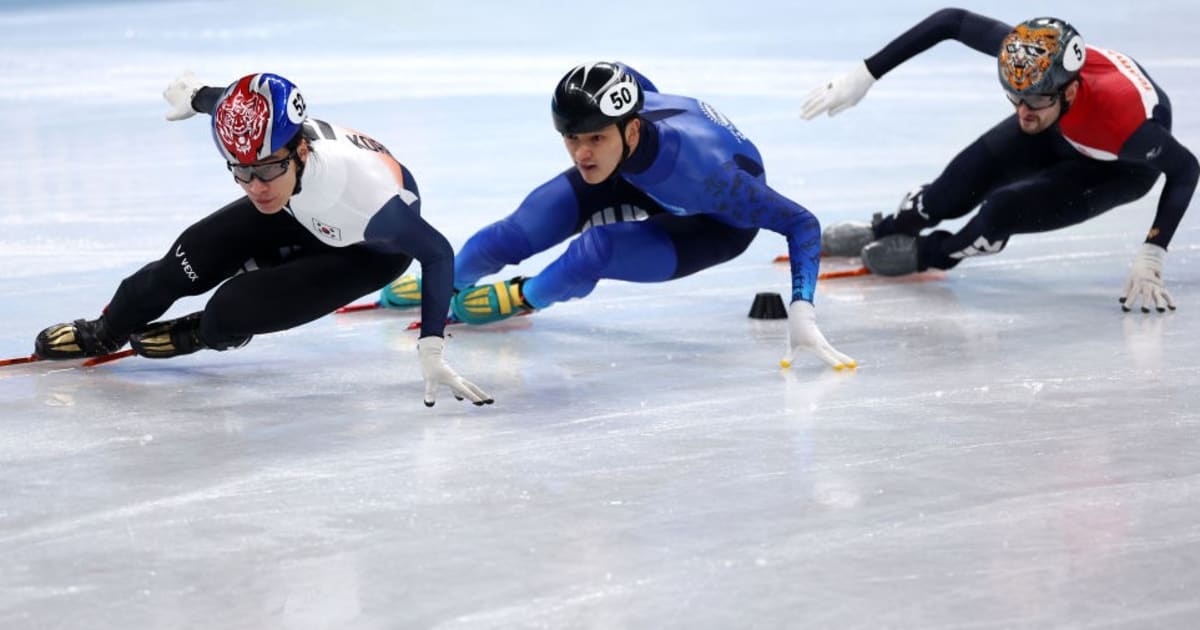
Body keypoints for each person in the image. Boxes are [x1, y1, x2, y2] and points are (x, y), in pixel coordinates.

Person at [33, 71, 492, 407]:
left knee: (231, 308)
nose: (256, 186)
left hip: (363, 250)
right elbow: (223, 102)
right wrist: (195, 96)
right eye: (242, 172)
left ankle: (207, 333)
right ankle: (105, 331)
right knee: (180, 264)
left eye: (268, 168)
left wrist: (431, 345)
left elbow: (437, 253)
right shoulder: (261, 148)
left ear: (301, 149)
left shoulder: (367, 198)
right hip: (301, 208)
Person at [382, 62, 855, 370]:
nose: (580, 154)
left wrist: (802, 307)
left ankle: (524, 297)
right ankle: (449, 281)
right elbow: (630, 80)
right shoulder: (619, 113)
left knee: (595, 250)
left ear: (631, 129)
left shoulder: (708, 174)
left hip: (711, 223)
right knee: (512, 233)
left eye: (594, 140)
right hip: (634, 174)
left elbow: (801, 223)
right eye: (571, 138)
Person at [802, 9, 1198, 313]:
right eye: (1015, 96)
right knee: (949, 190)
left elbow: (1186, 170)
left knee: (997, 214)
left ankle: (933, 254)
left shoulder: (1127, 123)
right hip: (1060, 129)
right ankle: (889, 226)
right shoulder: (1033, 59)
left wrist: (1154, 250)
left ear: (1071, 89)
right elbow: (951, 21)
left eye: (1036, 100)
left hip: (1117, 168)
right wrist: (866, 74)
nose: (1023, 112)